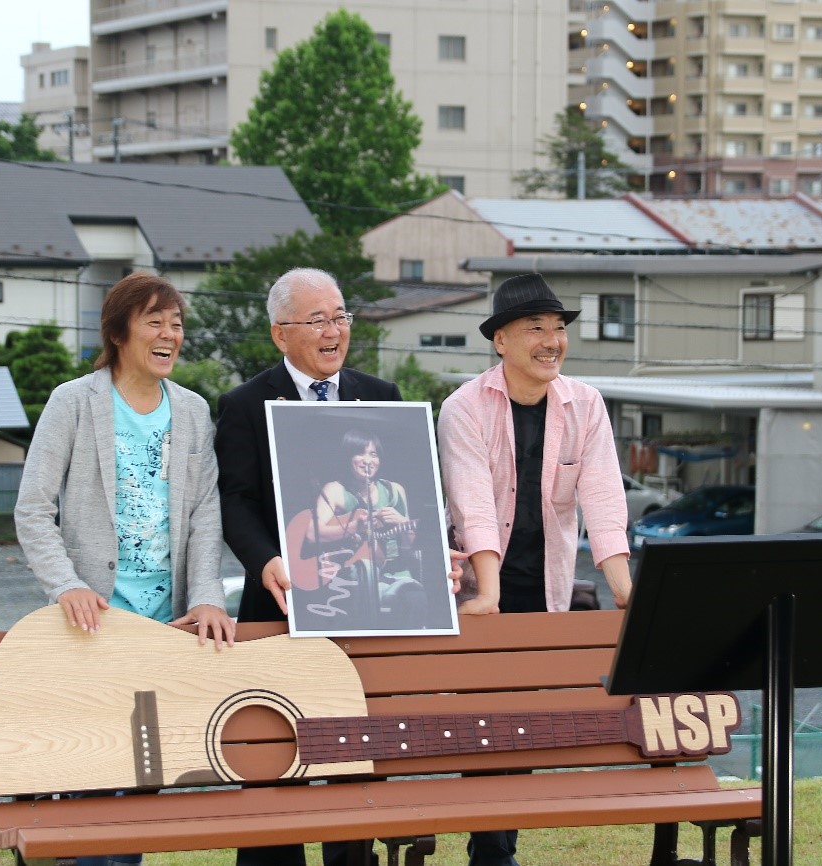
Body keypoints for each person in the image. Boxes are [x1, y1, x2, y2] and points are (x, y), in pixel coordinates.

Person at [15, 272, 236, 866]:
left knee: (141, 785)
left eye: (176, 324)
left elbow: (205, 514)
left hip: (166, 627)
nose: (169, 335)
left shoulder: (191, 410)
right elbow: (33, 509)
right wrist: (66, 585)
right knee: (90, 784)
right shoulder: (73, 402)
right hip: (93, 626)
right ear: (118, 333)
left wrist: (209, 596)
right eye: (153, 322)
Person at [215, 267, 419, 866]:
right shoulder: (245, 405)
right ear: (280, 333)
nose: (334, 331)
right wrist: (266, 559)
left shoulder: (382, 398)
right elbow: (235, 501)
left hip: (365, 607)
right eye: (318, 320)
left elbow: (412, 489)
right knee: (273, 756)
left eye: (340, 317)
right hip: (280, 602)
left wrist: (431, 551)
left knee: (353, 754)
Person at [436, 272, 632, 866]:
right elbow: (471, 505)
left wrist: (626, 592)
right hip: (479, 588)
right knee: (485, 723)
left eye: (559, 328)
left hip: (546, 583)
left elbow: (604, 501)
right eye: (535, 328)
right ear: (499, 341)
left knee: (523, 723)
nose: (552, 341)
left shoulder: (585, 404)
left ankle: (496, 848)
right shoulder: (464, 407)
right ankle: (491, 851)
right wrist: (489, 595)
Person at [299, 429, 424, 628]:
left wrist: (401, 521)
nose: (368, 461)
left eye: (373, 454)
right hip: (354, 576)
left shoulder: (395, 491)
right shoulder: (335, 490)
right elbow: (312, 534)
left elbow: (410, 543)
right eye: (360, 453)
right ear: (348, 457)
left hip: (398, 575)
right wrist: (354, 527)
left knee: (415, 600)